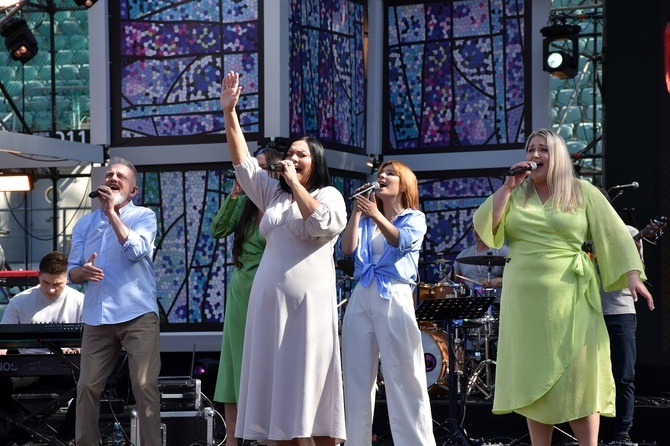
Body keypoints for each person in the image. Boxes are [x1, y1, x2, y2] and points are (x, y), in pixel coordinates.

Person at [472, 128, 652, 446]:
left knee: (577, 378)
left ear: (558, 156)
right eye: (530, 149)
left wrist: (633, 276)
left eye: (543, 149)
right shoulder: (514, 193)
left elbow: (615, 232)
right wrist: (508, 186)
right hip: (525, 300)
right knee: (533, 375)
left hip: (570, 294)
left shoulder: (582, 192)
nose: (535, 155)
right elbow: (486, 234)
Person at [221, 71, 347, 445]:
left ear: (315, 161)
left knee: (308, 390)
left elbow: (323, 224)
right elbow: (243, 163)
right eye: (289, 154)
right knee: (275, 399)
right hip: (269, 310)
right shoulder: (272, 197)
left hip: (308, 310)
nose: (291, 158)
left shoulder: (328, 195)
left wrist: (294, 184)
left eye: (300, 154)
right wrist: (230, 114)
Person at [340, 160, 436, 446]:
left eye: (390, 174)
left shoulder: (414, 217)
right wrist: (357, 214)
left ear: (404, 184)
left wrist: (376, 216)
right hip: (362, 294)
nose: (381, 176)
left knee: (403, 376)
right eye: (380, 173)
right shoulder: (368, 219)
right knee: (356, 378)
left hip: (393, 293)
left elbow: (401, 241)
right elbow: (347, 249)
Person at [68, 156, 162, 446]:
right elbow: (71, 271)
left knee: (144, 385)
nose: (113, 178)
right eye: (109, 174)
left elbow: (136, 251)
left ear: (133, 191)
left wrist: (112, 215)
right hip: (97, 317)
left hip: (137, 314)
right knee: (86, 387)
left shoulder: (144, 216)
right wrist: (81, 272)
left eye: (121, 176)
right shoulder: (84, 224)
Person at [211, 147, 281, 446]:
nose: (254, 173)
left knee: (268, 360)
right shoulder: (246, 203)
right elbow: (218, 229)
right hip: (241, 287)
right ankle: (231, 440)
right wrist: (237, 192)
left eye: (261, 167)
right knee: (234, 361)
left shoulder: (282, 202)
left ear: (276, 172)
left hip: (270, 286)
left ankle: (269, 437)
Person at [0, 251, 83, 445]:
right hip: (26, 369)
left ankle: (62, 439)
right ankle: (26, 431)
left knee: (90, 387)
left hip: (67, 369)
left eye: (57, 284)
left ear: (68, 279)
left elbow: (90, 342)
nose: (51, 290)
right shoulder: (20, 301)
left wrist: (78, 349)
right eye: (46, 283)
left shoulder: (81, 302)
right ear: (39, 276)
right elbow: (3, 344)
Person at [600, 225, 654, 445]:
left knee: (623, 375)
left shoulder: (628, 232)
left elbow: (639, 270)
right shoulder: (581, 231)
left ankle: (622, 432)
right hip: (587, 310)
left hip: (620, 311)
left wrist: (633, 248)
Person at [453, 228, 508, 302]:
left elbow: (516, 279)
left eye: (480, 227)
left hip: (498, 303)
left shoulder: (503, 251)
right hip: (470, 303)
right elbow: (450, 279)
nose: (476, 232)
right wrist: (434, 287)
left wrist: (495, 281)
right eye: (474, 228)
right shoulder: (463, 254)